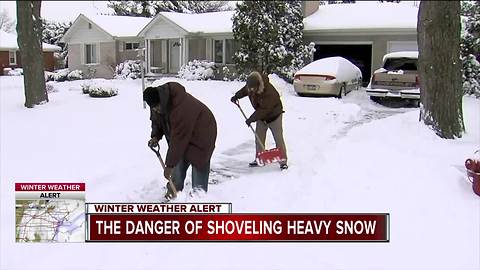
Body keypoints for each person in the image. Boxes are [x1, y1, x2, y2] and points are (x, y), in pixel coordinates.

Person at [143, 82, 217, 199]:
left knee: (199, 165)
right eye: (153, 108)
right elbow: (157, 121)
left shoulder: (181, 107)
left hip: (203, 133)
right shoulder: (157, 103)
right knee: (178, 163)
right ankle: (173, 191)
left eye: (157, 107)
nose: (155, 110)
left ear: (161, 101)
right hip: (182, 135)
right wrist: (155, 136)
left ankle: (199, 200)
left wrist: (169, 166)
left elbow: (178, 140)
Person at [230, 71, 288, 170]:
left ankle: (283, 161)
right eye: (250, 88)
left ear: (259, 85)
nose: (251, 90)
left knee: (278, 139)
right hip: (261, 117)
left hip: (274, 116)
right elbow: (245, 90)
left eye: (253, 88)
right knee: (259, 138)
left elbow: (264, 109)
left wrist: (251, 119)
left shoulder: (269, 92)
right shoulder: (251, 86)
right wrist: (236, 96)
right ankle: (260, 158)